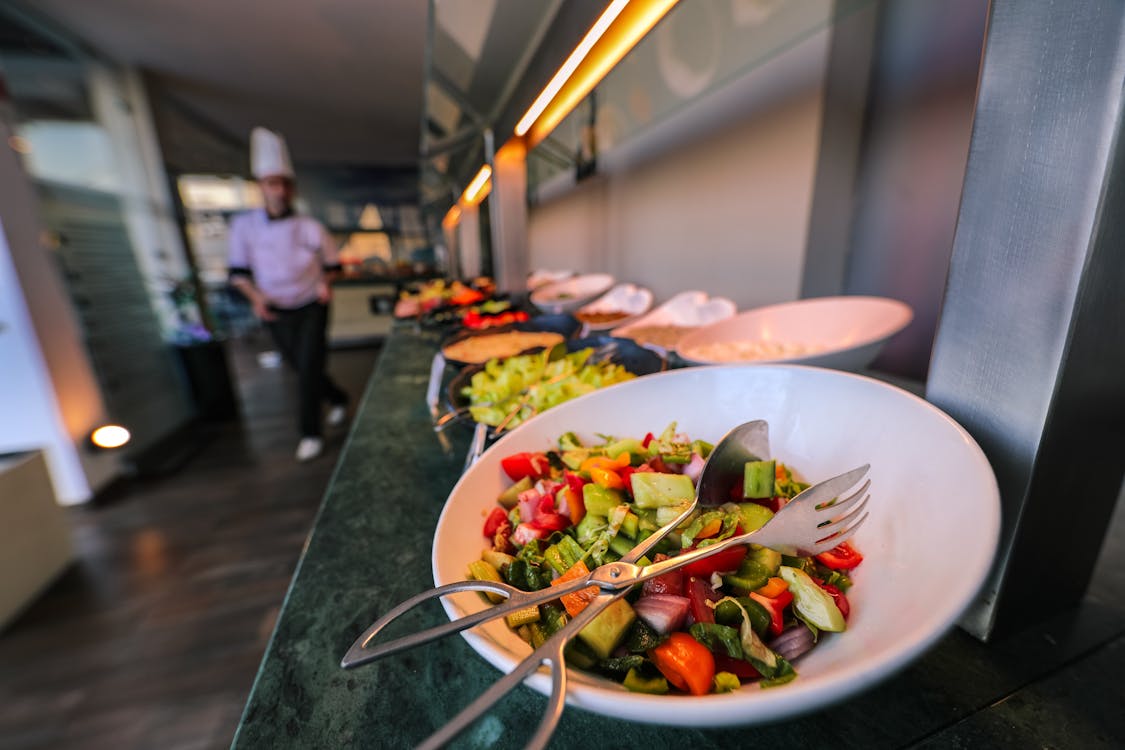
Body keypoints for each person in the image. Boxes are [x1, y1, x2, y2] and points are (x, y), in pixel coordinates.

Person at [227, 127, 348, 462]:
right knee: (300, 366)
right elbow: (238, 273)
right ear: (261, 187)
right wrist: (256, 299)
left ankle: (310, 432)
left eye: (284, 184)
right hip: (275, 308)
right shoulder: (244, 227)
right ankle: (337, 398)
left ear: (291, 188)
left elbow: (333, 264)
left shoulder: (310, 227)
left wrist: (326, 282)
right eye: (272, 184)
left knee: (310, 365)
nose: (279, 191)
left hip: (312, 304)